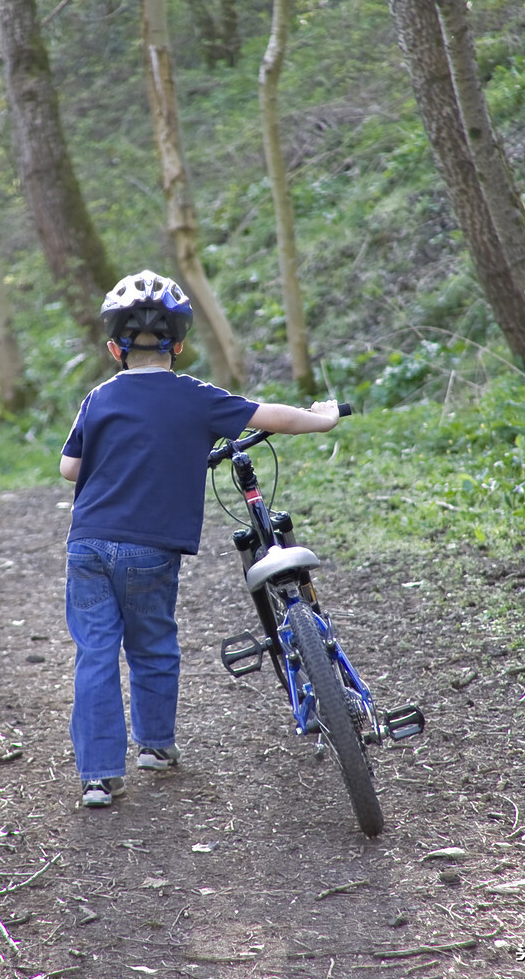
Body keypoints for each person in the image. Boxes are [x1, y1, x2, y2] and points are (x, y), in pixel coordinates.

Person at [60, 269, 339, 808]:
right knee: (153, 645)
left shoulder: (98, 398)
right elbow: (269, 416)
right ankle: (156, 749)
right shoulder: (196, 396)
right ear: (180, 345)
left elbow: (71, 468)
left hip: (89, 544)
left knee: (94, 654)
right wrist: (320, 418)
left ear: (115, 347)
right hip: (150, 547)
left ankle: (98, 777)